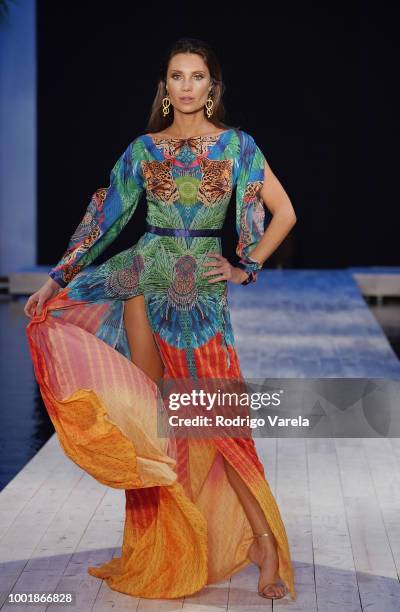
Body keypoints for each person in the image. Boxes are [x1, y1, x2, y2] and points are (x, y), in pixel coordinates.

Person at [24, 37, 297, 601]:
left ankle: (264, 542)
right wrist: (56, 277)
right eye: (178, 76)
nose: (188, 85)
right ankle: (166, 541)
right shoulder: (144, 150)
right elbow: (104, 217)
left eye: (198, 76)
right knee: (160, 420)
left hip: (202, 293)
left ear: (212, 88)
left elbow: (285, 211)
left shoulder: (238, 147)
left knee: (221, 424)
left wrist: (247, 267)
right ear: (166, 87)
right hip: (144, 282)